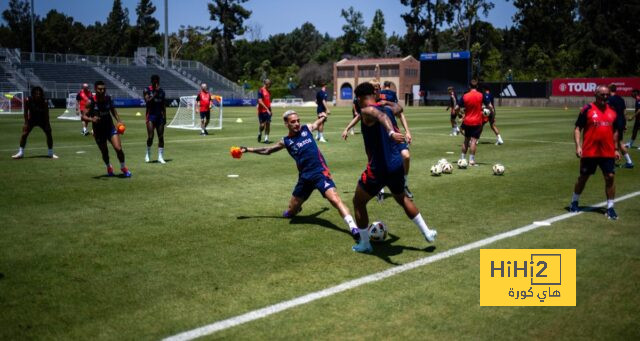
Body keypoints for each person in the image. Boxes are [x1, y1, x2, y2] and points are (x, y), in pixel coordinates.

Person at [240, 110, 360, 239]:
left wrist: (323, 117)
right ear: (286, 124)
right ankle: (295, 208)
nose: (297, 124)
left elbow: (316, 123)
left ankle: (353, 228)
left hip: (320, 173)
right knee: (291, 212)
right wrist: (248, 149)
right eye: (293, 122)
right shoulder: (286, 141)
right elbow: (268, 150)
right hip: (305, 178)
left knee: (335, 199)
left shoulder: (306, 129)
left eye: (298, 121)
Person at [350, 82, 437, 253]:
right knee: (402, 199)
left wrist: (390, 132)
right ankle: (427, 232)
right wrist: (387, 103)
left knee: (358, 202)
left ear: (359, 98)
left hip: (379, 168)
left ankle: (365, 244)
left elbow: (379, 117)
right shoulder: (387, 109)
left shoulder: (365, 111)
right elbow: (399, 108)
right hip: (396, 165)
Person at [342, 81, 414, 199]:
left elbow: (400, 112)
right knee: (378, 162)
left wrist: (407, 131)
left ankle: (404, 183)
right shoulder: (368, 108)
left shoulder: (384, 103)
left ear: (379, 89)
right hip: (381, 139)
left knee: (406, 156)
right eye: (373, 88)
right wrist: (347, 128)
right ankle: (380, 189)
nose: (375, 90)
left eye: (377, 88)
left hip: (395, 136)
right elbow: (359, 116)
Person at [569, 85, 620, 220]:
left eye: (607, 94)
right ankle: (574, 202)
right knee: (583, 178)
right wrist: (578, 146)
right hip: (589, 151)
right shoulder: (587, 109)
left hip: (607, 152)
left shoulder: (613, 111)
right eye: (602, 94)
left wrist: (615, 149)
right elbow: (577, 128)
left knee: (610, 177)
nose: (605, 97)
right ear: (595, 95)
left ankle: (610, 208)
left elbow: (615, 131)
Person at [81, 81, 131, 177]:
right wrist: (91, 119)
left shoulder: (108, 99)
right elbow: (83, 116)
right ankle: (109, 166)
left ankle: (123, 167)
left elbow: (113, 111)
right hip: (98, 131)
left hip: (110, 128)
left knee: (118, 148)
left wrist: (119, 121)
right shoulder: (91, 102)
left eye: (104, 89)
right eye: (100, 89)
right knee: (105, 152)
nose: (102, 90)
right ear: (95, 89)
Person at [11, 86, 58, 159]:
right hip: (32, 119)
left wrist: (48, 123)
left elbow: (46, 113)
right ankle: (21, 153)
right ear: (33, 94)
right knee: (24, 134)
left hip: (42, 119)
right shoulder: (28, 100)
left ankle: (50, 153)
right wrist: (26, 123)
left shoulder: (44, 100)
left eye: (39, 94)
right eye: (36, 93)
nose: (38, 95)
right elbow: (26, 112)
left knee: (49, 134)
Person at [458, 80, 484, 166]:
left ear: (469, 87)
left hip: (467, 121)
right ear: (477, 87)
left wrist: (461, 115)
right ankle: (471, 161)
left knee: (466, 140)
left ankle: (462, 159)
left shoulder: (465, 96)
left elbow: (456, 107)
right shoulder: (481, 95)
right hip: (477, 121)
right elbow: (490, 106)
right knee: (473, 141)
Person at [606, 84, 633, 168]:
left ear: (609, 89)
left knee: (613, 142)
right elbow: (624, 112)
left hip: (614, 123)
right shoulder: (621, 99)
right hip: (620, 123)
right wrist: (624, 124)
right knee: (619, 142)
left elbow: (608, 112)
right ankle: (629, 162)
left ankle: (614, 161)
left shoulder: (609, 99)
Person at [143, 74, 166, 164]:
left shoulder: (162, 91)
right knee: (151, 136)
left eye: (157, 81)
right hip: (151, 116)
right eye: (155, 82)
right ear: (152, 82)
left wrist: (165, 117)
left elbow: (163, 105)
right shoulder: (147, 90)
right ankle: (148, 153)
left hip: (159, 116)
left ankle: (160, 157)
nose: (156, 83)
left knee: (161, 137)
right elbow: (147, 101)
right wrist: (155, 94)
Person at [257, 79, 272, 143]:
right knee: (262, 125)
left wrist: (270, 110)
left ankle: (266, 139)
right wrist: (267, 109)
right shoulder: (261, 90)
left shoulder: (269, 91)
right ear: (265, 84)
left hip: (268, 111)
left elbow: (268, 102)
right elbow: (260, 101)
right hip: (261, 111)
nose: (270, 85)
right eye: (269, 84)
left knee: (268, 124)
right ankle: (260, 133)